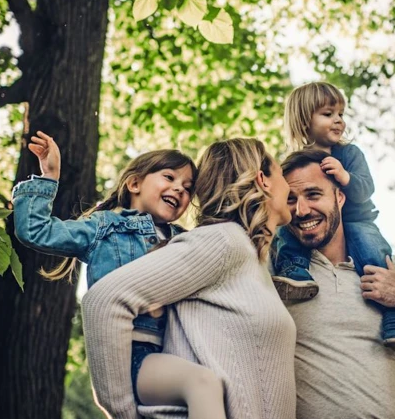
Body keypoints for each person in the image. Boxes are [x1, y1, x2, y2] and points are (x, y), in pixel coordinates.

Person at [13, 131, 227, 419]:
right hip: (132, 355)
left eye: (188, 188)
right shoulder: (105, 227)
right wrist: (49, 176)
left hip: (177, 350)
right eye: (169, 177)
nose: (179, 190)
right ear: (135, 183)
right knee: (202, 384)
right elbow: (36, 231)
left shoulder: (185, 240)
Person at [81, 138, 297, 419]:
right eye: (282, 174)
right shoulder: (223, 241)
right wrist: (123, 411)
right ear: (263, 180)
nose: (290, 188)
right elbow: (103, 300)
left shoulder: (252, 259)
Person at [280, 149, 395, 419]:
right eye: (291, 200)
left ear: (340, 197)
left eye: (313, 195)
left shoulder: (387, 268)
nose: (301, 210)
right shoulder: (279, 272)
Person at [272, 81, 395, 347]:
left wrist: (345, 176)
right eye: (328, 114)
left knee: (372, 251)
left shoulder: (349, 154)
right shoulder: (294, 163)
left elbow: (366, 189)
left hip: (356, 220)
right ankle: (295, 270)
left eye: (340, 114)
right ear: (303, 121)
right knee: (284, 230)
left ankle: (393, 315)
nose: (338, 121)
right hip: (315, 226)